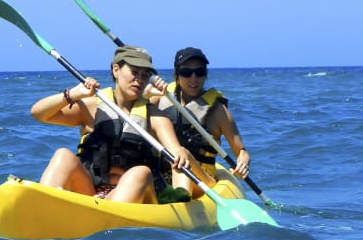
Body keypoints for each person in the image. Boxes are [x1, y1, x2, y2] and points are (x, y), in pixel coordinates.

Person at [30, 45, 215, 204]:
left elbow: (175, 149)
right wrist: (73, 94)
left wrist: (180, 153)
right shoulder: (92, 106)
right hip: (91, 191)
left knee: (141, 172)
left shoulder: (154, 115)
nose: (139, 80)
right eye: (134, 72)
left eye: (145, 75)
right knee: (63, 155)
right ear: (116, 70)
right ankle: (46, 203)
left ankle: (110, 218)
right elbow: (39, 114)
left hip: (134, 196)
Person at [148, 47, 250, 194]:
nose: (193, 78)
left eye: (200, 72)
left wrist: (242, 164)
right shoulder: (159, 98)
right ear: (176, 74)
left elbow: (241, 151)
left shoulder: (218, 111)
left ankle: (180, 200)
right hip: (162, 176)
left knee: (182, 156)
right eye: (186, 73)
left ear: (206, 75)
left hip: (202, 181)